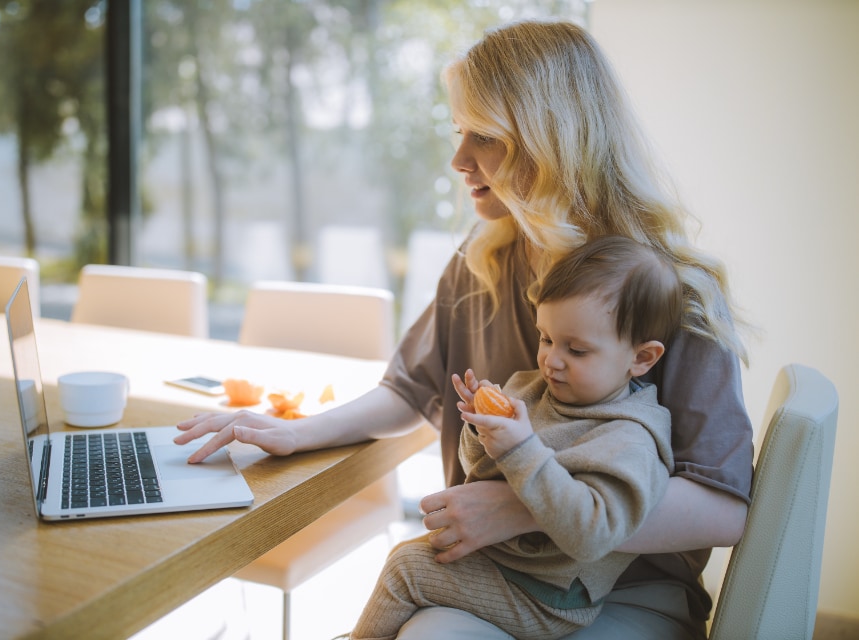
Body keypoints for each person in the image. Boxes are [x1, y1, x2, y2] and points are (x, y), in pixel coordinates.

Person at [175, 19, 753, 639]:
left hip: (625, 591)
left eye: (485, 137)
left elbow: (722, 509)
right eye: (459, 133)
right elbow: (410, 390)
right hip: (498, 569)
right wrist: (299, 432)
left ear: (551, 140)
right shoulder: (483, 259)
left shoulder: (671, 292)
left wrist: (523, 507)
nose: (458, 160)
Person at [348, 235, 681, 640]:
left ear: (642, 358)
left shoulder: (630, 437)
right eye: (546, 338)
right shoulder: (534, 388)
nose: (551, 361)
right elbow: (483, 472)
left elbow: (593, 534)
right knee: (409, 557)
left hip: (548, 596)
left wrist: (522, 449)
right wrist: (482, 428)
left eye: (576, 350)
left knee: (406, 570)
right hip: (506, 564)